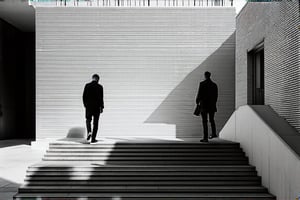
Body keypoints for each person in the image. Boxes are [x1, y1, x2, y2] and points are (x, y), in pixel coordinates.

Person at [196, 71, 218, 142]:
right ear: (210, 75)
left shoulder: (202, 84)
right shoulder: (214, 85)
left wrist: (197, 102)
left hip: (204, 106)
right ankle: (214, 133)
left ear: (205, 76)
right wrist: (214, 103)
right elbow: (216, 96)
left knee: (204, 121)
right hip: (212, 106)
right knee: (212, 120)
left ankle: (205, 138)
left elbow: (199, 94)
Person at [83, 74, 104, 143]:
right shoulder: (100, 87)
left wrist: (85, 105)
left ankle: (89, 131)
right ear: (98, 79)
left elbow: (84, 96)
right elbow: (101, 98)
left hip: (89, 107)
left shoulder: (87, 85)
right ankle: (93, 138)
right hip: (97, 107)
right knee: (96, 123)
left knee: (88, 120)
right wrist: (102, 107)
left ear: (92, 78)